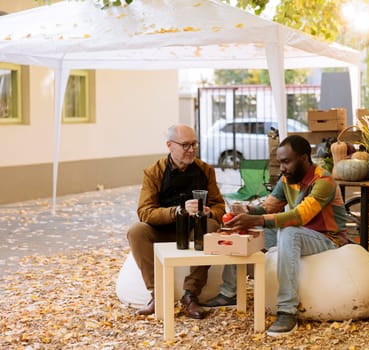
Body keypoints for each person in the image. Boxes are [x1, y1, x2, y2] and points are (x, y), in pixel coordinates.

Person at [204, 135, 349, 336]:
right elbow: (268, 207)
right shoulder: (287, 179)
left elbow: (299, 216)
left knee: (289, 231)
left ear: (304, 159)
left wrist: (257, 220)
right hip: (300, 233)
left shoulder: (324, 181)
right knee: (244, 231)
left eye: (286, 162)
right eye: (280, 162)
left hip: (328, 238)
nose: (282, 167)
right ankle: (229, 292)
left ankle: (287, 311)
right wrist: (245, 212)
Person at [127, 124, 226, 319]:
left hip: (194, 231)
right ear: (169, 145)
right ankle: (158, 295)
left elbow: (220, 207)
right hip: (162, 230)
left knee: (212, 226)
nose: (191, 150)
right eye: (186, 145)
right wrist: (177, 211)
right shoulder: (153, 172)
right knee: (136, 231)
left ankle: (191, 295)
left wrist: (208, 212)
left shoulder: (205, 171)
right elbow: (144, 212)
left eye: (194, 144)